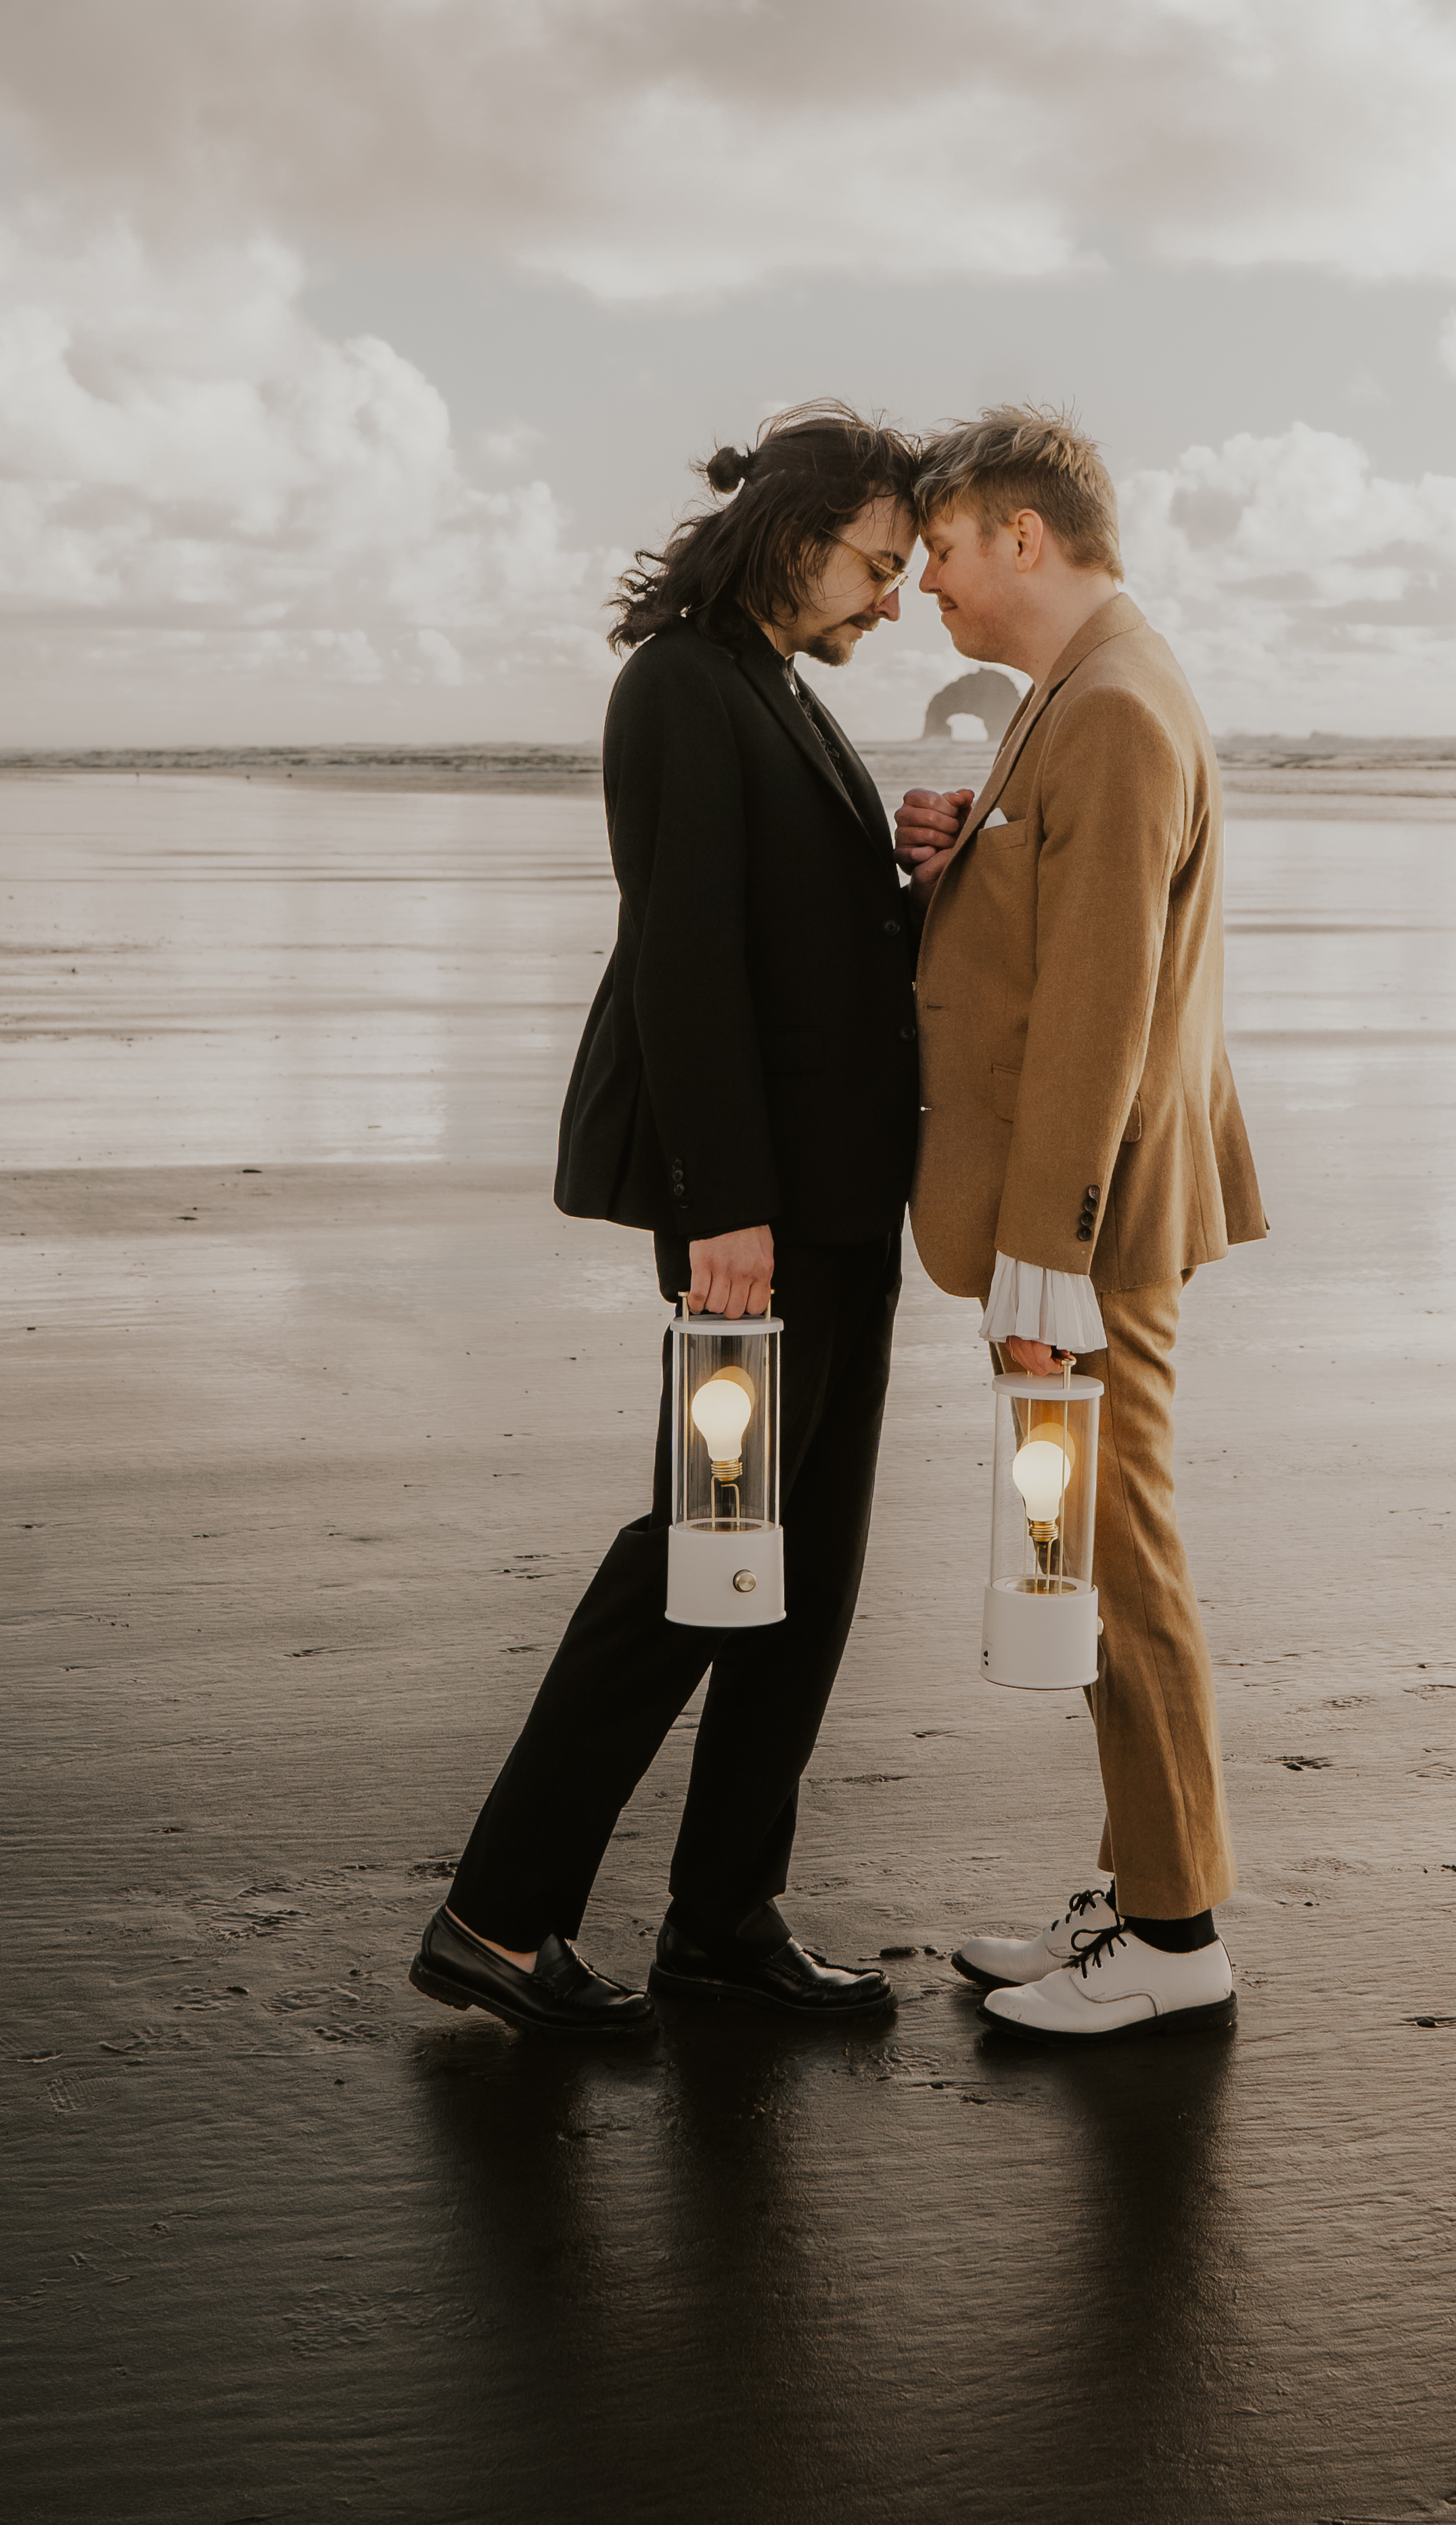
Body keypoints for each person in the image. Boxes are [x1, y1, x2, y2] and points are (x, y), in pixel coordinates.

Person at [413, 403, 925, 2035]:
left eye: (906, 572)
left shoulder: (774, 688)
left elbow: (812, 942)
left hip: (839, 1204)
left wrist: (921, 865)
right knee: (701, 1558)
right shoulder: (679, 688)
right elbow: (692, 960)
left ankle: (725, 1920)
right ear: (795, 531)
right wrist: (725, 1212)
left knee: (809, 1565)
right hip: (754, 1218)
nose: (892, 600)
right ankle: (496, 1919)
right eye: (877, 563)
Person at [893, 407, 1266, 2041]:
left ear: (1020, 537)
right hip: (1093, 1207)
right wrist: (953, 865)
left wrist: (1044, 1254)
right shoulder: (1086, 690)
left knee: (1123, 1559)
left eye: (943, 552)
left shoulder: (1111, 706)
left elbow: (1105, 1006)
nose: (926, 590)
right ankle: (1135, 1884)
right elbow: (1056, 932)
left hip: (1092, 1222)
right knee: (1108, 1548)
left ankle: (1179, 1932)